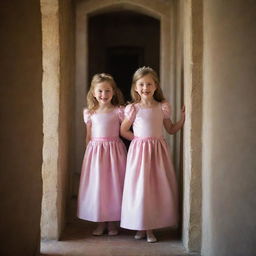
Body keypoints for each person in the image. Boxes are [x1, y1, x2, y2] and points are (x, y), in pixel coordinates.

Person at [120, 67, 185, 243]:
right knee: (140, 188)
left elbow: (170, 129)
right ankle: (142, 226)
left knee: (154, 188)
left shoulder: (162, 107)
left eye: (149, 84)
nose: (145, 88)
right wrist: (139, 141)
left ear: (155, 86)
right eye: (141, 84)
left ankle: (151, 228)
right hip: (140, 153)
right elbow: (123, 130)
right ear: (135, 87)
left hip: (157, 153)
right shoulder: (133, 109)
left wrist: (183, 120)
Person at [77, 73, 127, 236]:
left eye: (107, 91)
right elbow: (88, 136)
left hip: (114, 152)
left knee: (113, 185)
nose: (103, 95)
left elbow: (126, 129)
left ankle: (113, 222)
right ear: (93, 92)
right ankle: (100, 222)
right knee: (99, 186)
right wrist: (88, 156)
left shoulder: (119, 111)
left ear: (113, 92)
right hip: (96, 153)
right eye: (100, 91)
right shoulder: (90, 113)